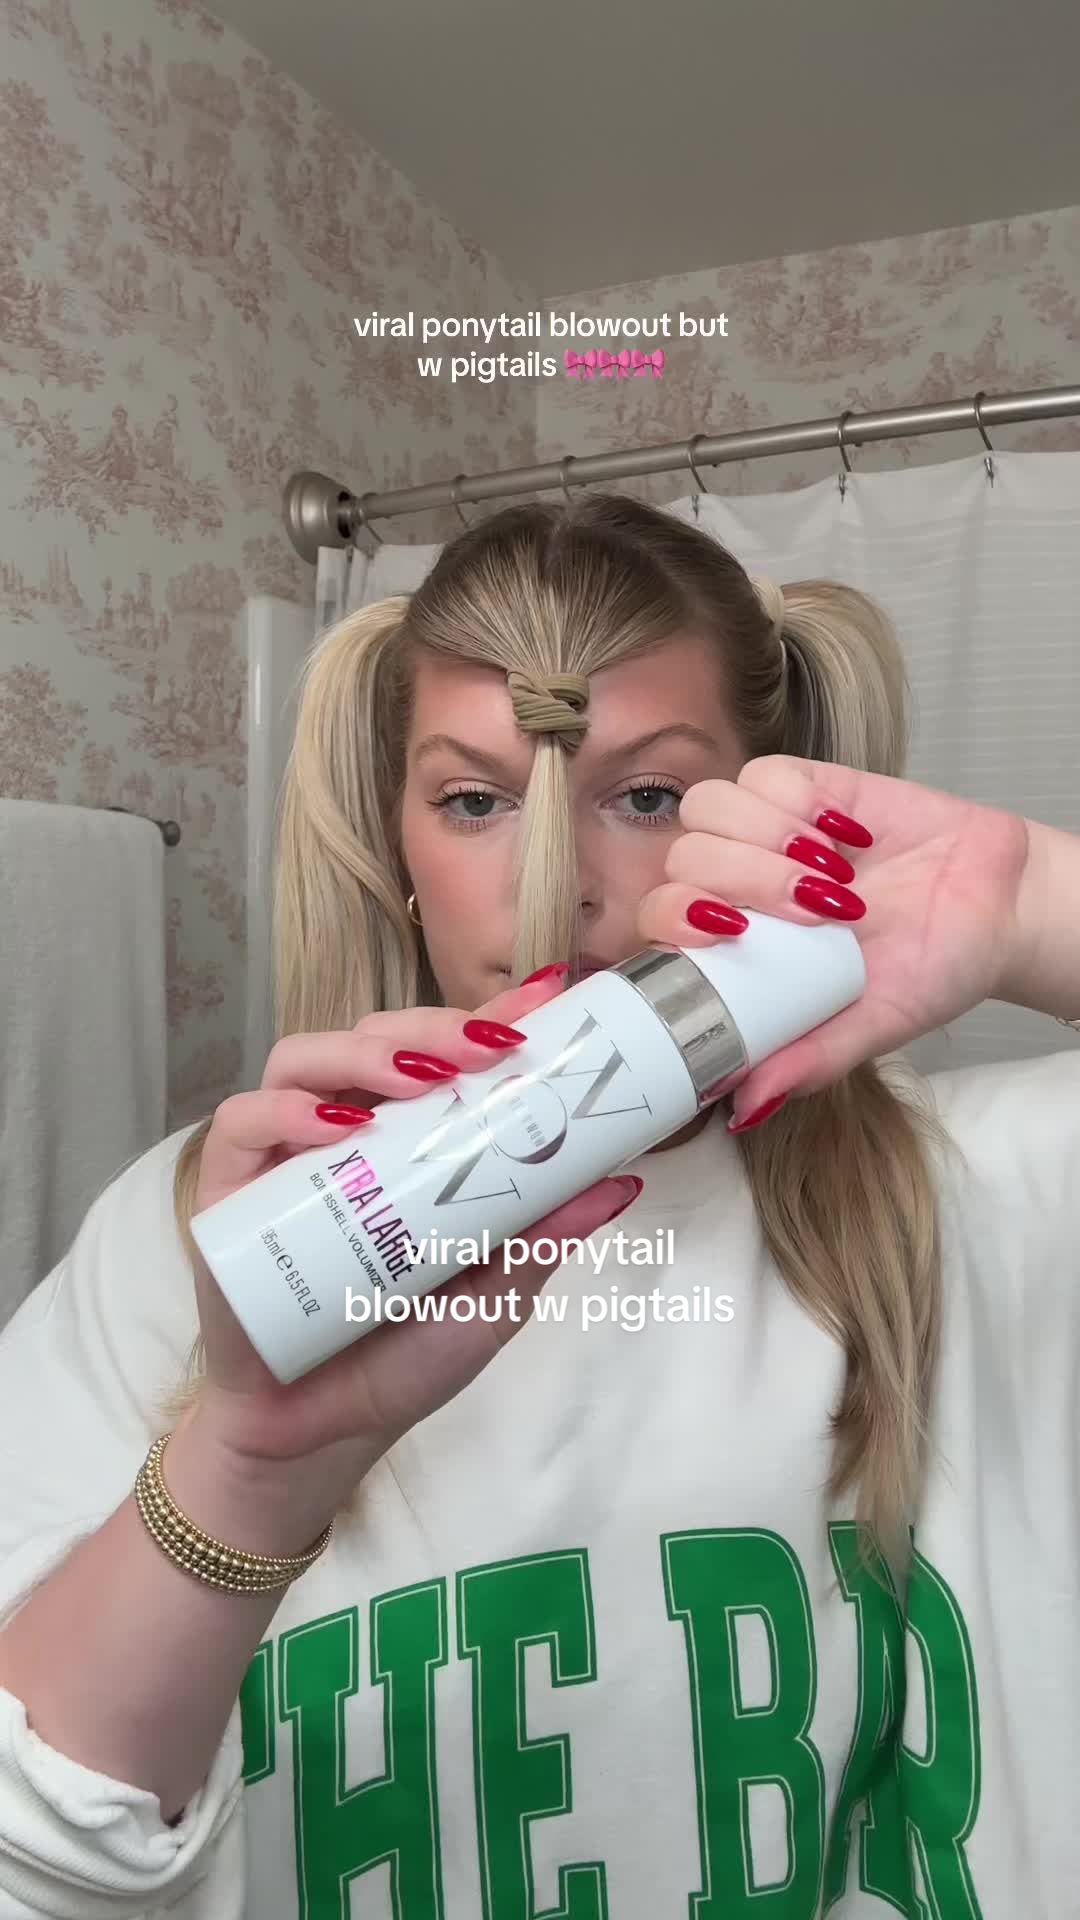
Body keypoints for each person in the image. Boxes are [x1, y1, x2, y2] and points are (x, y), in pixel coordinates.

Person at [0, 491, 1078, 1919]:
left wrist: (1038, 908)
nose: (556, 886)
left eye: (650, 797)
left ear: (764, 818)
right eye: (473, 800)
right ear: (393, 841)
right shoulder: (211, 1240)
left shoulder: (964, 1195)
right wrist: (247, 1470)